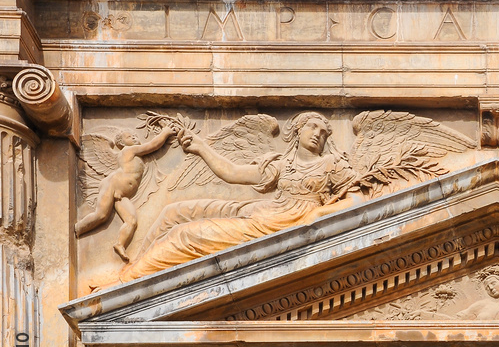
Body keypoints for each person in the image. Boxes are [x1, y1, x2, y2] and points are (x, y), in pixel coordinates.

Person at [113, 112, 357, 283]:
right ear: (297, 130)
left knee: (183, 234)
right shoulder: (281, 164)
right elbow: (233, 173)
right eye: (312, 127)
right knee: (173, 212)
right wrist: (200, 147)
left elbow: (358, 199)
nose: (318, 134)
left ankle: (131, 280)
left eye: (324, 133)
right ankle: (132, 266)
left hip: (281, 224)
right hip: (265, 212)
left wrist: (318, 213)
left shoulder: (331, 164)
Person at [75, 127, 176, 262]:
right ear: (122, 144)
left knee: (131, 221)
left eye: (135, 135)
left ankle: (120, 244)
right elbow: (153, 145)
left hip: (122, 194)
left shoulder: (134, 152)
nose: (134, 137)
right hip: (112, 185)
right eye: (129, 137)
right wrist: (166, 132)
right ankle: (76, 229)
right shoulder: (129, 150)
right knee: (101, 215)